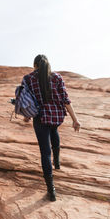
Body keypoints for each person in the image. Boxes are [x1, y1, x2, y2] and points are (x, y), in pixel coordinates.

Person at [22, 54, 80, 201]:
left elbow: (26, 100)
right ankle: (58, 163)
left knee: (45, 153)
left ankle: (51, 190)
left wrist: (27, 115)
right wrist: (75, 120)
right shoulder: (57, 77)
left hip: (40, 118)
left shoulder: (28, 79)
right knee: (54, 130)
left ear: (35, 65)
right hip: (56, 116)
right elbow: (66, 99)